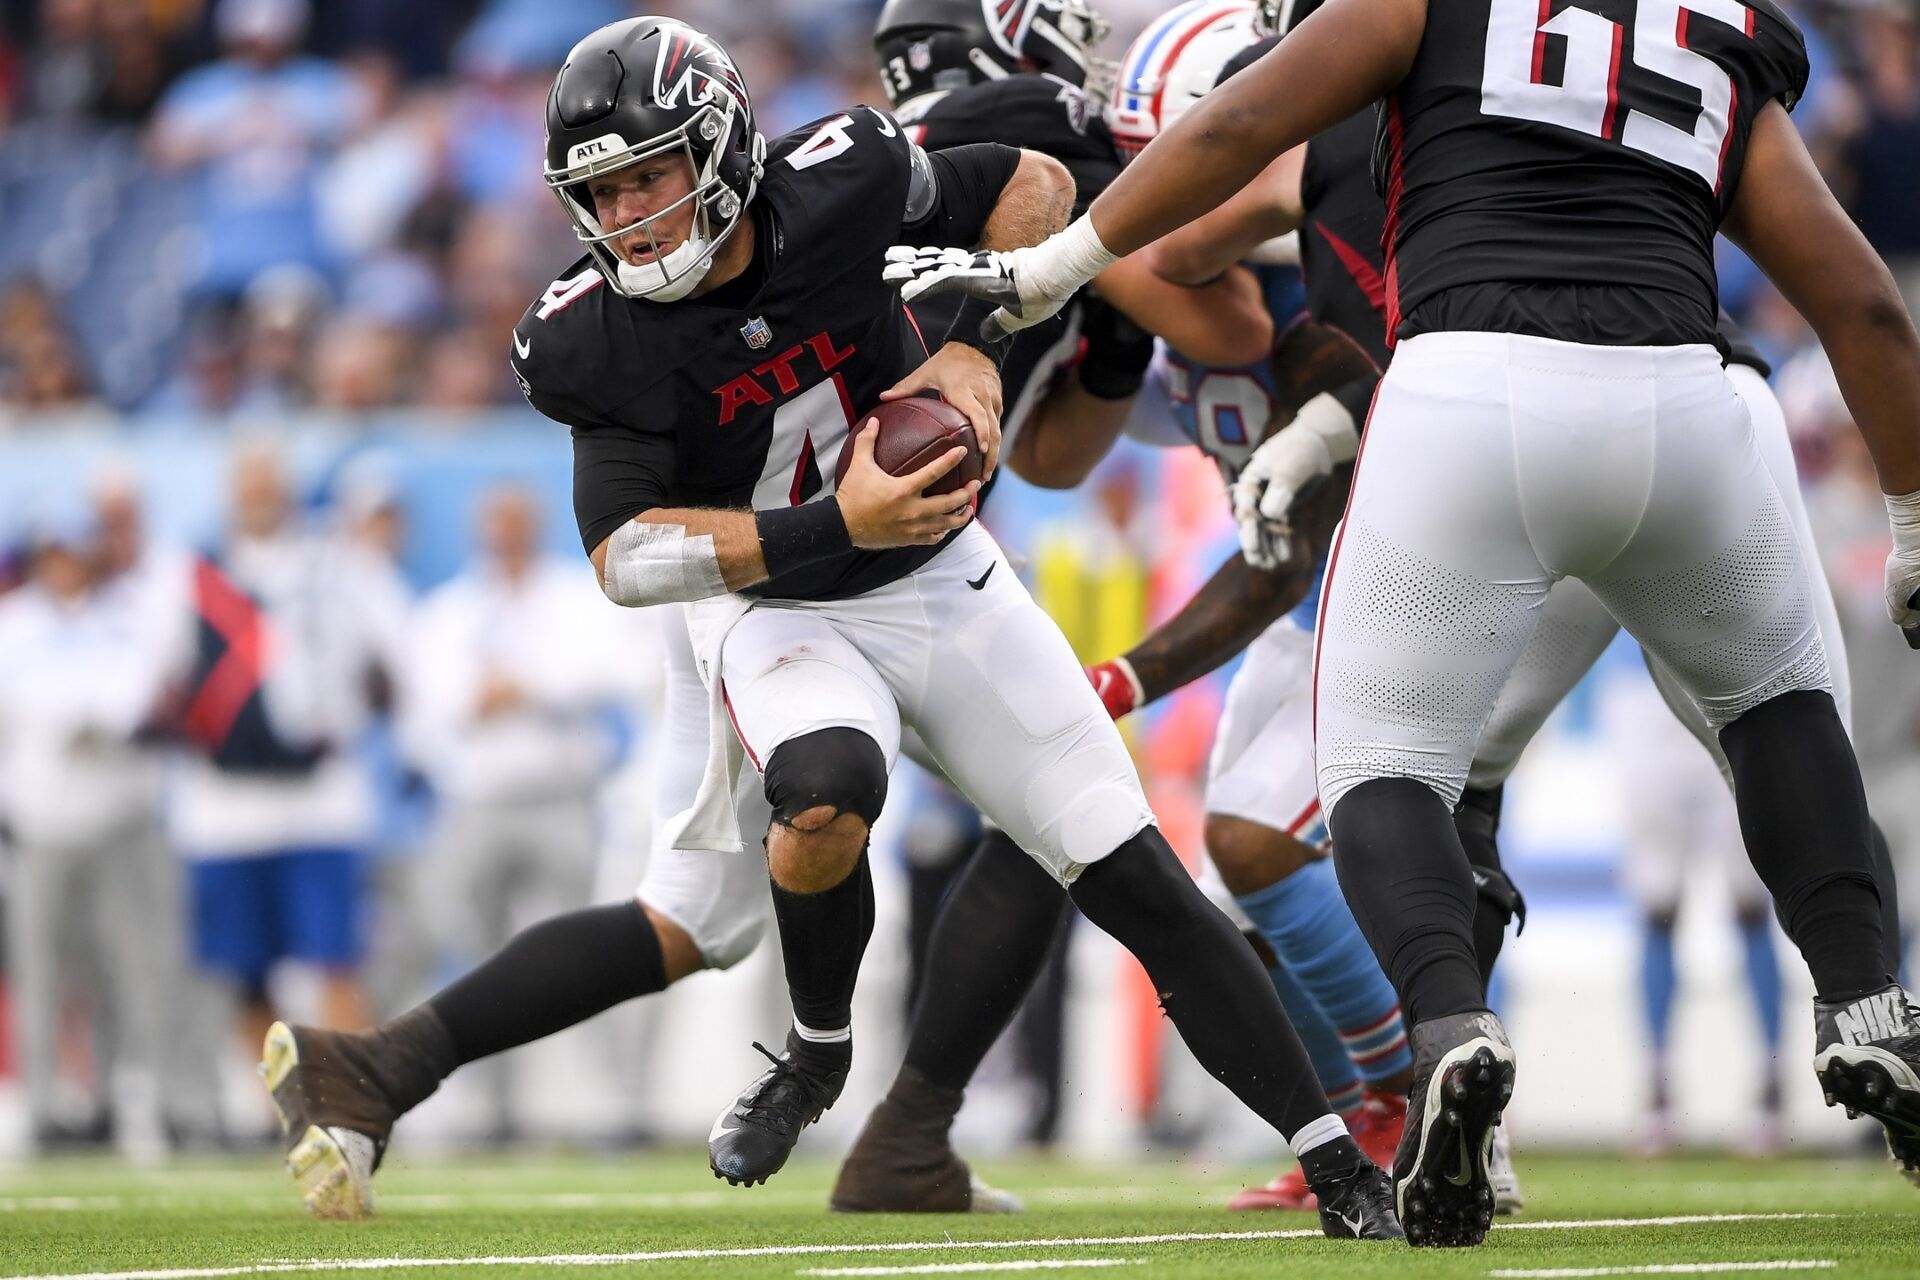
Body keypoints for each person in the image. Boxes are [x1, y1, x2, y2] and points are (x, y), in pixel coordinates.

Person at [259, 15, 1400, 1241]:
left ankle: (1331, 1157)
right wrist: (835, 523)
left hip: (940, 575)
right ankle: (821, 1055)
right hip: (762, 600)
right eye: (606, 190)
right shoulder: (589, 332)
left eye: (651, 173)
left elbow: (1033, 192)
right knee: (817, 796)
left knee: (1112, 863)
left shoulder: (850, 171)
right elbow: (629, 557)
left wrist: (971, 346)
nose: (634, 215)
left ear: (724, 144)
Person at [890, 0, 1920, 1246]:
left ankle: (1440, 1033)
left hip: (1472, 396)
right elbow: (1862, 303)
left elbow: (1250, 123)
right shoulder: (1718, 28)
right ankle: (1866, 999)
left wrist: (1045, 269)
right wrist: (1914, 525)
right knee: (1777, 713)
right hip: (1696, 405)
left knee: (1383, 767)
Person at [403, 486, 636, 1140]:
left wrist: (523, 684)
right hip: (477, 800)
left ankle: (611, 1108)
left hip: (560, 796)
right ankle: (491, 1107)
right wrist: (487, 696)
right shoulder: (451, 610)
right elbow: (428, 707)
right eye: (495, 522)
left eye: (516, 522)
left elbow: (609, 669)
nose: (505, 534)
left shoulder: (572, 595)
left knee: (586, 949)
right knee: (471, 949)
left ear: (533, 528)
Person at [0, 502, 182, 1157]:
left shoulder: (128, 615)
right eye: (53, 555)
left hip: (119, 822)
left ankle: (121, 1097)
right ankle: (44, 1104)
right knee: (42, 971)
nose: (65, 568)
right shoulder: (14, 626)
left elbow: (129, 702)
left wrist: (79, 719)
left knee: (126, 968)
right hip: (42, 823)